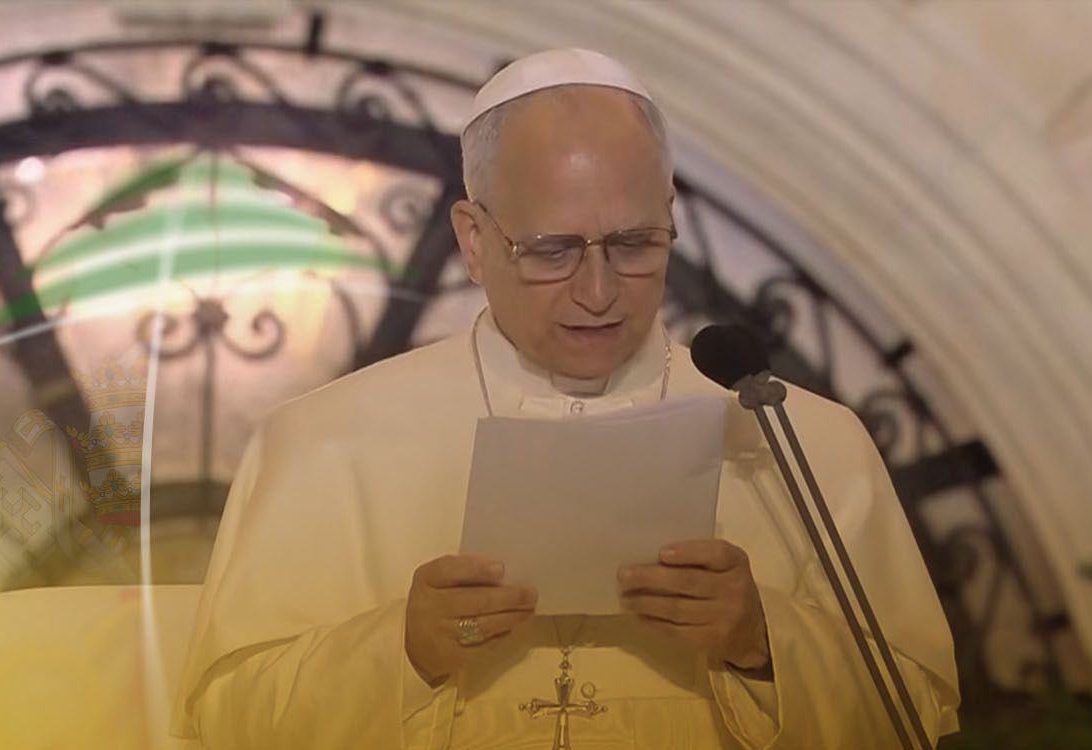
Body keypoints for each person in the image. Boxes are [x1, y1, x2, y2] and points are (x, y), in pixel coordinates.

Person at [172, 48, 959, 749]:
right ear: (475, 241)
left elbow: (912, 716)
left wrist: (763, 644)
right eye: (551, 250)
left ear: (671, 223)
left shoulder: (799, 440)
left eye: (634, 244)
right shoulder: (324, 440)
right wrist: (403, 651)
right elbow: (225, 723)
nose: (598, 291)